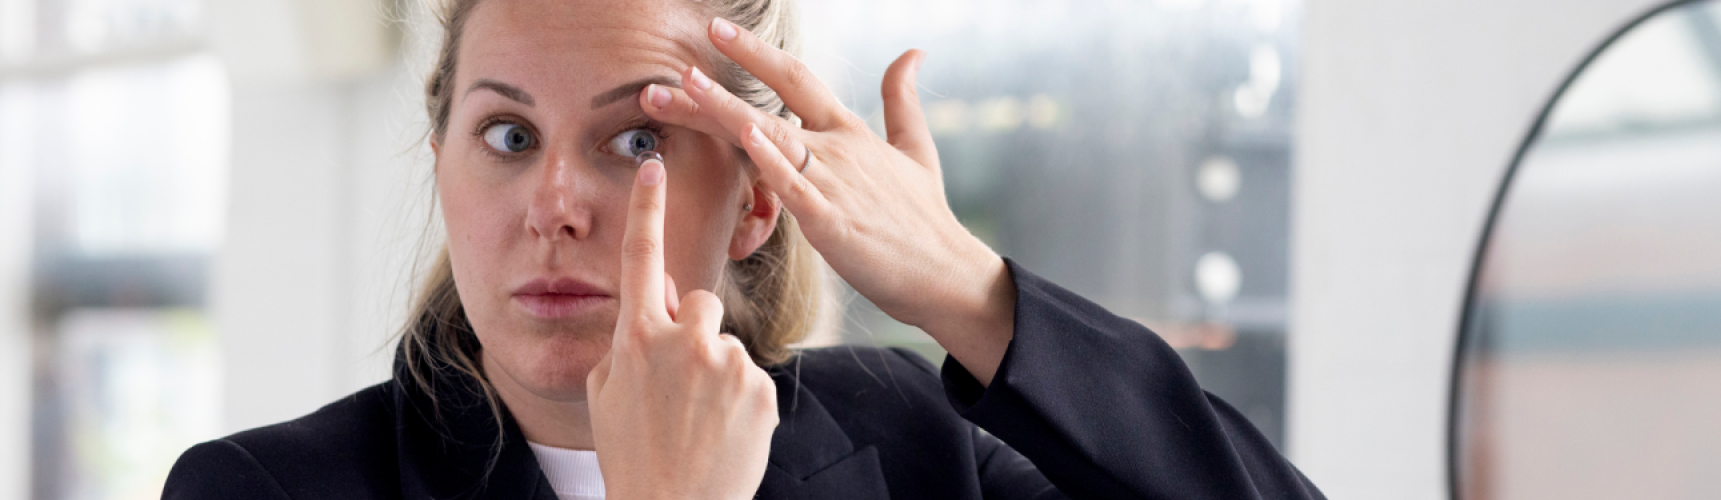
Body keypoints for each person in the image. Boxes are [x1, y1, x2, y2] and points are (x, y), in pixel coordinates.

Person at [161, 0, 1326, 498]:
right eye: (508, 133)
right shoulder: (264, 490)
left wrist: (974, 296)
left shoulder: (904, 436)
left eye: (634, 137)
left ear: (759, 200)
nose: (556, 200)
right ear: (442, 158)